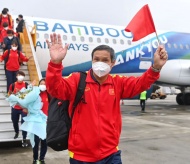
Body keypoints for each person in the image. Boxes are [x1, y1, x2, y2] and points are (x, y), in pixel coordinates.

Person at [45, 33, 168, 163]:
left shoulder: (118, 83)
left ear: (112, 63)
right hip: (81, 156)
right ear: (91, 61)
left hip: (110, 154)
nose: (100, 63)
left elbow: (141, 84)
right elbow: (55, 89)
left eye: (105, 60)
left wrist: (156, 67)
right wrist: (55, 63)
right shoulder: (77, 80)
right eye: (96, 59)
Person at [8, 70, 29, 147]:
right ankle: (16, 131)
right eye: (19, 75)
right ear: (16, 76)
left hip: (23, 108)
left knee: (24, 123)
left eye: (22, 75)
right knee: (14, 121)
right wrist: (13, 94)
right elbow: (9, 94)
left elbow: (30, 95)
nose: (20, 77)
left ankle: (24, 139)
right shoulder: (12, 85)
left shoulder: (26, 85)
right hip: (15, 107)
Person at [32, 79, 51, 164]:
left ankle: (42, 159)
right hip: (36, 122)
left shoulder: (49, 95)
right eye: (41, 83)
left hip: (46, 123)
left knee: (44, 142)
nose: (43, 85)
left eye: (44, 84)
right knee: (36, 142)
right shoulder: (35, 95)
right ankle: (35, 159)